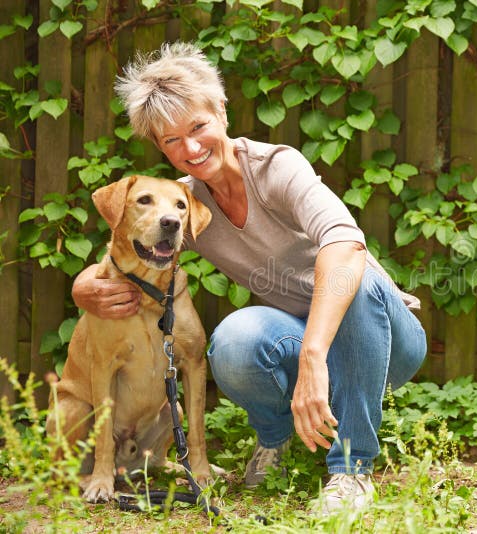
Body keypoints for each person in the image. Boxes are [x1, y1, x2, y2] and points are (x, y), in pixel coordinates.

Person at [71, 41, 427, 513]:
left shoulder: (276, 167)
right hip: (298, 335)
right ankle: (275, 443)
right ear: (159, 146)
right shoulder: (184, 206)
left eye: (198, 127)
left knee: (352, 276)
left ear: (221, 109)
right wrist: (82, 287)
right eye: (172, 140)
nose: (191, 148)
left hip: (379, 339)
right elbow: (124, 243)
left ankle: (351, 469)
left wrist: (314, 356)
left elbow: (345, 246)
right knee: (234, 339)